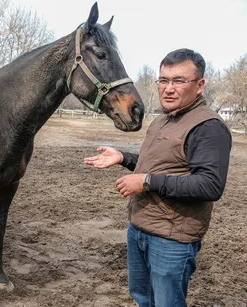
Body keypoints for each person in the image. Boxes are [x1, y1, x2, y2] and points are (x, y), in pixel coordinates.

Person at [84, 48, 232, 307]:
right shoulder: (163, 121)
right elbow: (160, 163)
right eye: (163, 80)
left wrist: (146, 181)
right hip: (140, 228)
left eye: (178, 81)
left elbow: (210, 185)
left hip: (172, 239)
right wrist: (124, 158)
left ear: (200, 85)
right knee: (143, 298)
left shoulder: (208, 127)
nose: (168, 88)